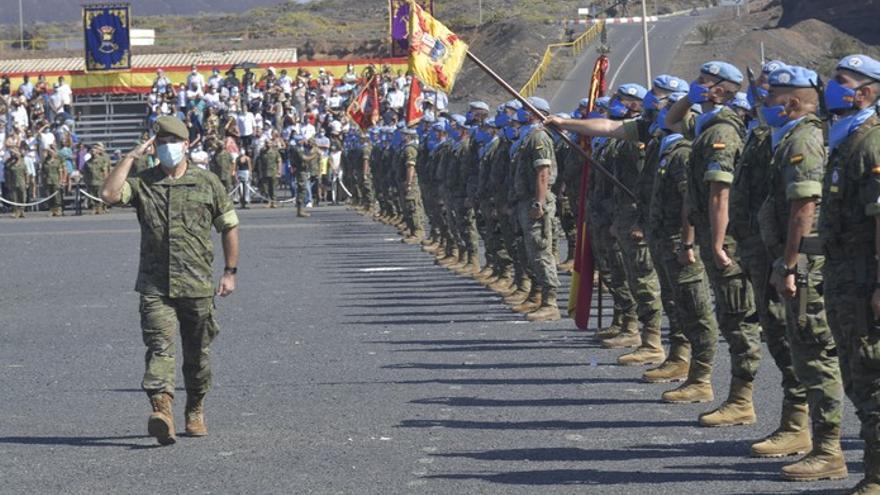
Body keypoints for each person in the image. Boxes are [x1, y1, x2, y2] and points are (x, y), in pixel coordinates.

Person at [99, 115, 240, 446]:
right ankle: (162, 410)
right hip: (155, 286)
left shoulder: (208, 183)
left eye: (171, 144)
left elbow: (229, 226)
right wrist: (132, 157)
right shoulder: (144, 182)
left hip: (197, 285)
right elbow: (107, 193)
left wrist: (230, 272)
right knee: (159, 348)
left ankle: (195, 408)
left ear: (186, 145)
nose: (166, 149)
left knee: (197, 354)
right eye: (160, 144)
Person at [756, 64, 846, 481]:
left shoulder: (805, 139)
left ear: (791, 102)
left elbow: (803, 209)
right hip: (796, 260)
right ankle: (801, 431)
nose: (765, 102)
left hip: (805, 262)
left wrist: (789, 264)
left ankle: (828, 449)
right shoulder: (790, 136)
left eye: (772, 95)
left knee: (815, 353)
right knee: (803, 351)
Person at [818, 54, 880, 494]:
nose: (831, 89)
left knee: (872, 377)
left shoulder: (871, 143)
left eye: (841, 82)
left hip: (866, 280)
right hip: (846, 278)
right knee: (857, 374)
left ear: (868, 91)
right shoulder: (846, 139)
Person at [84, 143, 111, 214]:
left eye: (94, 151)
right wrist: (86, 180)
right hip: (91, 181)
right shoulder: (88, 162)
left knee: (99, 195)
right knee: (92, 196)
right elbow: (85, 172)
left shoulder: (102, 160)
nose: (93, 153)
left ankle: (100, 208)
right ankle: (94, 208)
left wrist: (106, 180)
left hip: (100, 180)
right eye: (91, 151)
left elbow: (105, 171)